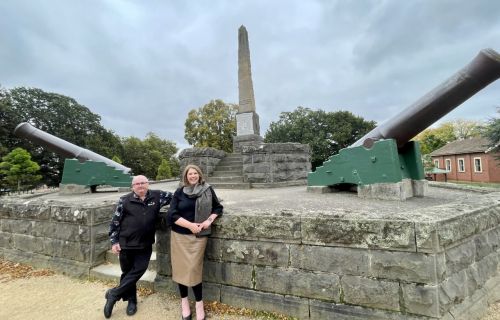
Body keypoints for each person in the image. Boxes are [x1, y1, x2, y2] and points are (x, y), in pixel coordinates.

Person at [104, 175, 173, 318]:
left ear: (148, 184)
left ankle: (113, 294)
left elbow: (178, 197)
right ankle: (132, 301)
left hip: (145, 243)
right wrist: (114, 242)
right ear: (132, 186)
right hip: (126, 244)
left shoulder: (158, 196)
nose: (140, 186)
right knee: (127, 273)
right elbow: (115, 223)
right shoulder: (124, 200)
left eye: (143, 183)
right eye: (137, 184)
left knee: (139, 270)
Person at [168, 164, 223, 320]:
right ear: (186, 176)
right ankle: (184, 302)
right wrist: (190, 225)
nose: (192, 176)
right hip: (179, 236)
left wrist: (209, 220)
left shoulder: (207, 190)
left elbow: (218, 208)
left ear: (199, 175)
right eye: (189, 174)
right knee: (180, 270)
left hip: (199, 237)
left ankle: (199, 304)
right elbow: (172, 214)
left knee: (194, 269)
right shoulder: (179, 192)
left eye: (195, 173)